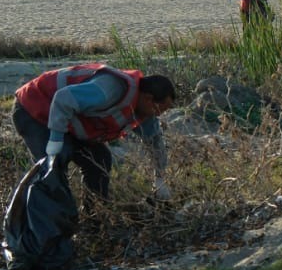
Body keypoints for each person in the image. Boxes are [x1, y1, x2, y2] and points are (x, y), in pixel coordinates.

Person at [13, 64, 178, 205]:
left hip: (66, 119)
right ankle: (46, 227)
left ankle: (94, 221)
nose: (159, 115)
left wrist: (160, 178)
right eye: (161, 109)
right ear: (149, 99)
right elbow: (63, 99)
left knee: (99, 159)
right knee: (53, 166)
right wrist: (55, 140)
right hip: (34, 108)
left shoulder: (144, 111)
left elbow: (154, 140)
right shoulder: (112, 88)